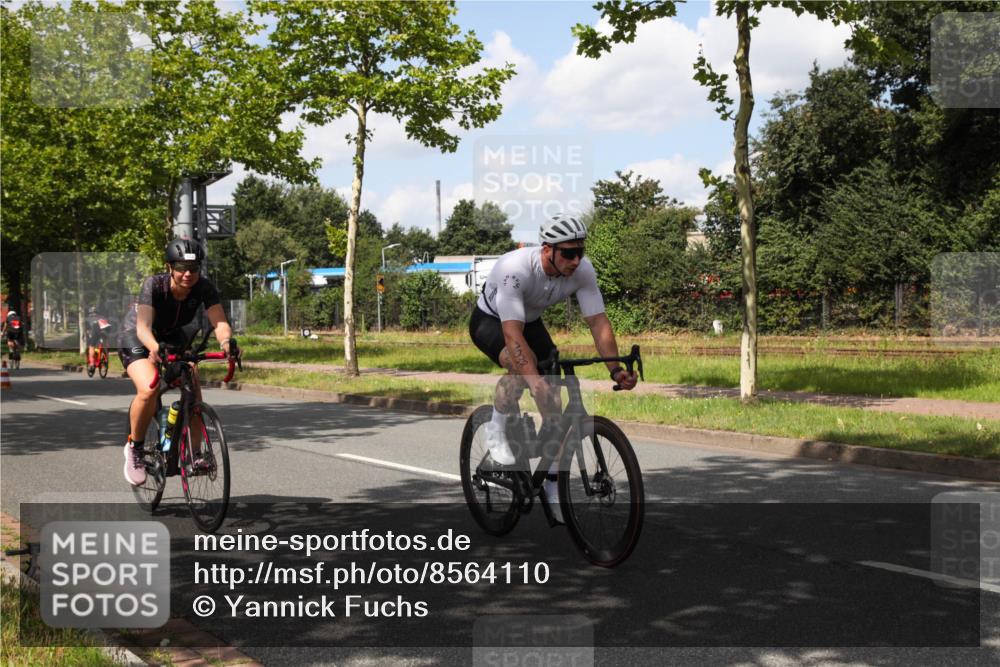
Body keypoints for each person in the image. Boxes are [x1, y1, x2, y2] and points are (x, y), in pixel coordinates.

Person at [468, 213, 637, 522]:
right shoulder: (514, 270)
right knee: (522, 370)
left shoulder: (582, 270)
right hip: (491, 321)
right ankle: (496, 431)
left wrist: (615, 369)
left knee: (555, 403)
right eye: (569, 253)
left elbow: (598, 322)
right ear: (548, 250)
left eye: (580, 251)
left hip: (530, 321)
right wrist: (534, 382)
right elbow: (512, 334)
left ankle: (551, 484)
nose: (576, 260)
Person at [119, 237, 240, 486]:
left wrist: (227, 343)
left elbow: (219, 322)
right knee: (149, 387)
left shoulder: (204, 287)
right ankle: (135, 449)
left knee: (192, 386)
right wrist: (155, 349)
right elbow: (143, 327)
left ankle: (195, 454)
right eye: (181, 267)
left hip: (172, 335)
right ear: (170, 267)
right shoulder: (154, 285)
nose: (188, 274)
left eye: (193, 268)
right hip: (137, 335)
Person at [84, 305, 113, 373]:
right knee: (104, 345)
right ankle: (106, 357)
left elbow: (88, 330)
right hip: (105, 332)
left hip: (95, 333)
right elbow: (108, 327)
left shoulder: (88, 319)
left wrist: (87, 335)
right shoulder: (102, 317)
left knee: (91, 347)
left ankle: (92, 364)